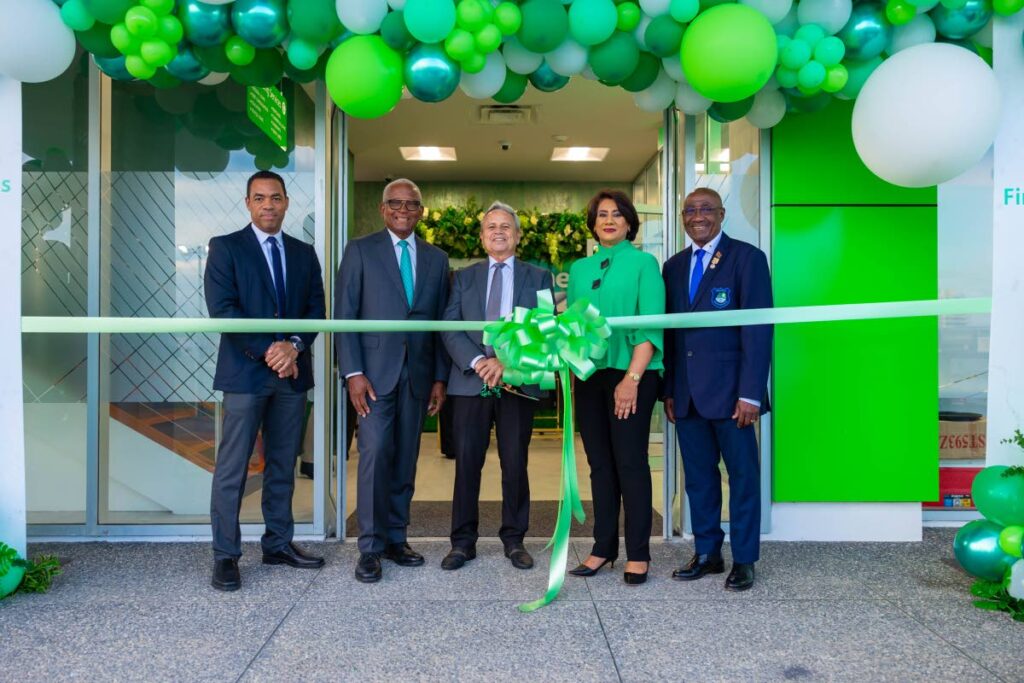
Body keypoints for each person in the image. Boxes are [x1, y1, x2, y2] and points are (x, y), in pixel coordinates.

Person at [204, 170, 326, 592]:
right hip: (246, 374)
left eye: (275, 197)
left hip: (291, 375)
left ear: (287, 202)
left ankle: (278, 544)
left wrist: (292, 345)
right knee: (233, 468)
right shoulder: (226, 248)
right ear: (248, 203)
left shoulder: (303, 252)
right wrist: (271, 351)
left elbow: (315, 310)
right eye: (260, 198)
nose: (268, 205)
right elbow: (223, 310)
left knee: (282, 466)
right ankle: (226, 556)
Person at [334, 178, 450, 583]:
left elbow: (440, 325)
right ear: (383, 210)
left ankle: (397, 538)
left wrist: (439, 377)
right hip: (372, 376)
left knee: (406, 458)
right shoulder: (360, 250)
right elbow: (344, 315)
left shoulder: (437, 259)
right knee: (375, 454)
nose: (403, 209)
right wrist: (352, 373)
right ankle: (369, 547)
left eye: (412, 204)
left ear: (421, 211)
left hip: (418, 375)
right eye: (395, 203)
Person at [662, 187, 772, 592]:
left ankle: (744, 559)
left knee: (743, 477)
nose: (697, 216)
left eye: (706, 209)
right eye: (689, 210)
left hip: (732, 396)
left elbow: (759, 329)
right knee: (698, 478)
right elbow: (671, 336)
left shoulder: (747, 259)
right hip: (687, 395)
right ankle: (708, 552)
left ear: (722, 214)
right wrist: (670, 389)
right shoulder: (672, 267)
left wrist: (751, 394)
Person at [439, 201, 553, 571]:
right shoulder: (464, 277)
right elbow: (449, 325)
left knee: (515, 463)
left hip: (516, 382)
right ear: (482, 236)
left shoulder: (539, 277)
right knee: (467, 463)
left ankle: (515, 539)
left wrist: (507, 362)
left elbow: (543, 327)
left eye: (507, 226)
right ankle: (462, 542)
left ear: (518, 236)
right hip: (471, 381)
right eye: (492, 227)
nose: (499, 231)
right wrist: (479, 362)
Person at [567, 189, 664, 586]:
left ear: (629, 222)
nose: (608, 220)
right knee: (599, 465)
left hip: (634, 373)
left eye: (617, 214)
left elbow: (650, 324)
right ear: (593, 223)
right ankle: (602, 548)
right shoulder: (578, 270)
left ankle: (638, 553)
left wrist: (632, 380)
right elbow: (575, 328)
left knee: (630, 462)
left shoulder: (644, 263)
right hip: (591, 377)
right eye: (601, 214)